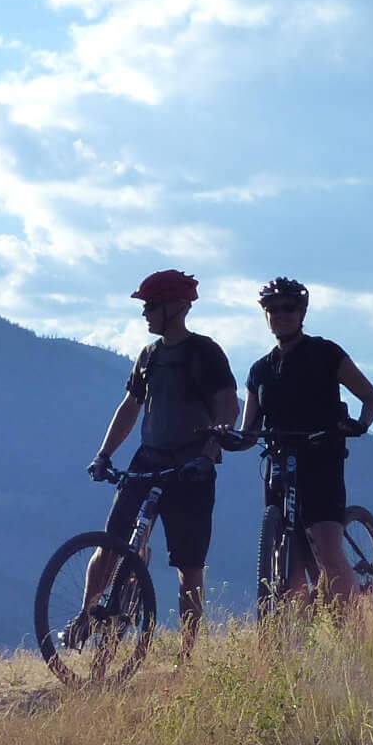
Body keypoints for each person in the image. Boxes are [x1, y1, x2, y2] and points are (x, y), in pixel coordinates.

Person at [78, 269, 238, 652]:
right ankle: (84, 618)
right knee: (110, 544)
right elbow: (130, 406)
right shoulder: (148, 356)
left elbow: (227, 404)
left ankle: (186, 651)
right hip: (147, 459)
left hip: (191, 466)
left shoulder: (205, 352)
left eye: (151, 306)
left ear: (177, 308)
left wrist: (209, 453)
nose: (145, 314)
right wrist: (104, 455)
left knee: (189, 566)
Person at [235, 277, 373, 608]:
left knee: (327, 549)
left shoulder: (325, 353)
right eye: (271, 309)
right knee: (287, 565)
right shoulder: (259, 370)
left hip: (321, 460)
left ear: (302, 312)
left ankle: (353, 633)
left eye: (288, 308)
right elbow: (249, 431)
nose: (279, 315)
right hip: (278, 466)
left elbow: (371, 397)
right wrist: (223, 437)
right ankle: (294, 643)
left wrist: (359, 424)